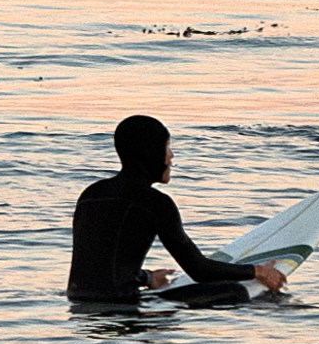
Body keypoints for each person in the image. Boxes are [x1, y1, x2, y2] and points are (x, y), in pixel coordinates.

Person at [67, 112, 285, 307]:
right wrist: (257, 271)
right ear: (151, 152)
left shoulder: (91, 194)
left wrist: (147, 278)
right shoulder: (156, 203)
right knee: (235, 291)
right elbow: (198, 270)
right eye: (167, 147)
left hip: (79, 301)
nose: (171, 156)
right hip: (122, 306)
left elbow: (99, 266)